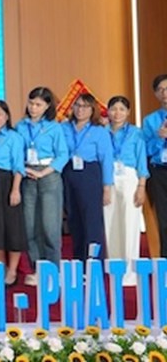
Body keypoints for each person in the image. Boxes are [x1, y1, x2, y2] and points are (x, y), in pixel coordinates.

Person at [17, 86, 69, 285]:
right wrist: (25, 169)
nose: (33, 108)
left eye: (38, 104)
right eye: (31, 103)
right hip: (27, 176)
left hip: (49, 176)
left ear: (47, 106)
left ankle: (53, 270)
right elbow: (16, 153)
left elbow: (62, 154)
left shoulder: (54, 127)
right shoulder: (21, 126)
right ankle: (37, 268)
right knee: (30, 226)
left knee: (50, 226)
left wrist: (43, 172)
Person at [61, 93, 114, 261]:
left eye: (85, 106)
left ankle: (94, 263)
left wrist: (107, 187)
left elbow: (107, 159)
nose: (80, 110)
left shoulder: (99, 131)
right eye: (77, 105)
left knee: (91, 221)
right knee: (74, 220)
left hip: (90, 173)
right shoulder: (64, 128)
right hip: (68, 173)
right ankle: (79, 262)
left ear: (93, 110)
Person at [105, 95, 149, 285]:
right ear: (107, 111)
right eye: (114, 109)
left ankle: (131, 272)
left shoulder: (136, 133)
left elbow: (141, 161)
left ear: (128, 112)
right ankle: (115, 268)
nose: (117, 113)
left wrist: (141, 186)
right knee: (110, 221)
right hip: (108, 177)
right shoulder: (102, 132)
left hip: (130, 177)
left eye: (122, 109)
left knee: (130, 223)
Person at [0, 100, 26, 285]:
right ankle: (1, 266)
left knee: (12, 227)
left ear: (7, 117)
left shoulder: (13, 137)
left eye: (0, 113)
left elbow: (18, 166)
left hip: (7, 182)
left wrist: (15, 189)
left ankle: (13, 270)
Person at [144, 73, 167, 257]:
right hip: (159, 172)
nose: (165, 93)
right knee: (163, 217)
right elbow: (147, 149)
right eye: (160, 90)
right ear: (156, 95)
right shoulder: (150, 120)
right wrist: (159, 138)